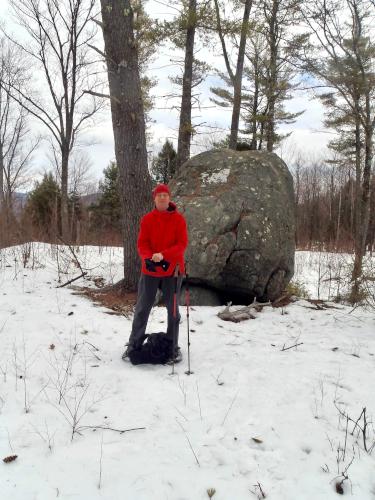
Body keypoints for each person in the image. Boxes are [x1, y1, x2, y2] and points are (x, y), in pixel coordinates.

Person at [123, 183, 188, 362]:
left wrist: (164, 255)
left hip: (173, 271)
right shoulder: (147, 219)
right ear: (155, 199)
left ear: (169, 198)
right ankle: (134, 345)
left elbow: (181, 244)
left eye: (165, 195)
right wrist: (148, 257)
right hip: (150, 270)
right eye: (159, 195)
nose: (162, 198)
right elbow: (142, 243)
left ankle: (172, 347)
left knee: (173, 311)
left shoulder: (179, 220)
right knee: (143, 308)